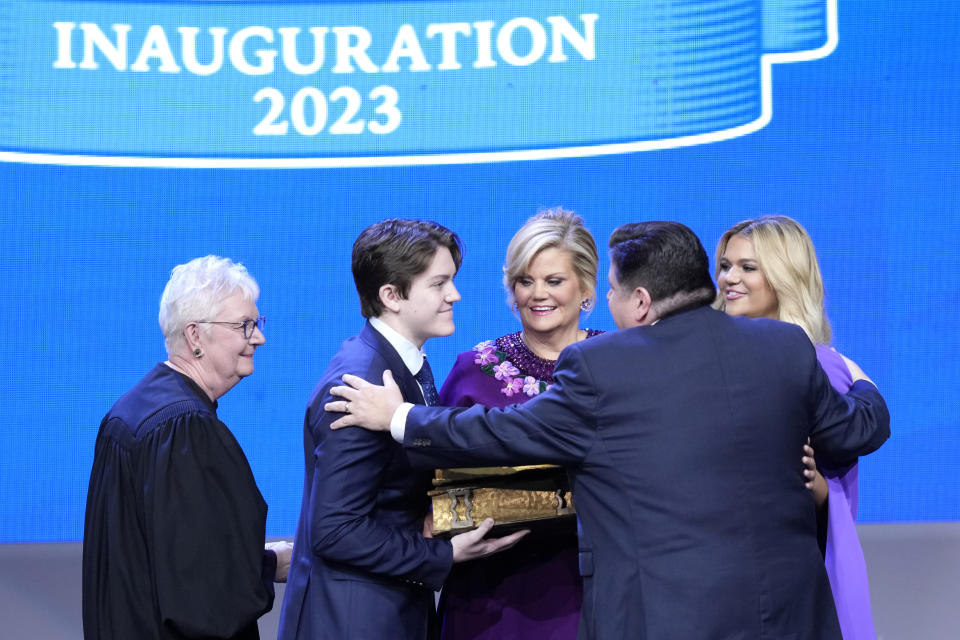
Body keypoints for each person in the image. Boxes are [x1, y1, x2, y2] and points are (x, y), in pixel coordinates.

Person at [325, 221, 891, 640]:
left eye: (615, 292)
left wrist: (397, 417)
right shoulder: (785, 347)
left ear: (638, 300)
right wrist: (864, 384)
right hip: (788, 613)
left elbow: (506, 433)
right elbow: (853, 431)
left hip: (670, 615)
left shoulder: (607, 364)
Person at [277, 219, 525, 640]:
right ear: (391, 295)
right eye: (439, 283)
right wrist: (442, 553)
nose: (455, 295)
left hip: (388, 610)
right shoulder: (363, 383)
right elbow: (336, 530)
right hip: (356, 622)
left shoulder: (397, 365)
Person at [82, 255, 292, 640]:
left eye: (256, 324)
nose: (258, 337)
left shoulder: (129, 410)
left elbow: (168, 562)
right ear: (195, 336)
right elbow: (204, 598)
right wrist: (269, 565)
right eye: (244, 326)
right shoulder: (186, 429)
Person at [437, 208, 600, 639]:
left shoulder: (620, 364)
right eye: (525, 281)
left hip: (592, 594)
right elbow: (432, 481)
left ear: (585, 286)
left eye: (553, 280)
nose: (537, 295)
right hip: (490, 598)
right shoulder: (475, 369)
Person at [715, 215, 878, 640]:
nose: (730, 278)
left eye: (748, 268)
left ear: (786, 276)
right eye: (725, 265)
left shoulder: (821, 364)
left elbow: (839, 475)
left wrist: (821, 492)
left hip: (788, 591)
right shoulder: (705, 357)